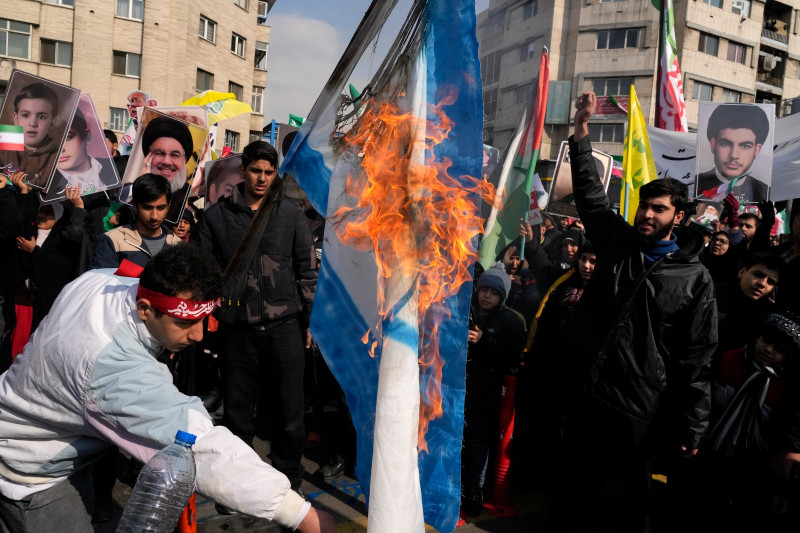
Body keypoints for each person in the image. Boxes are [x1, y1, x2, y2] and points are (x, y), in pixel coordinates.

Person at [0, 244, 335, 532]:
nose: (199, 335)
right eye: (185, 322)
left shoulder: (100, 280)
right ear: (145, 309)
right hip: (32, 476)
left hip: (45, 438)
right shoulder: (113, 371)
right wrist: (301, 514)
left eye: (204, 319)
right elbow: (200, 447)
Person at [548, 91, 718, 532]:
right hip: (588, 392)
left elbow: (695, 359)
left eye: (659, 209)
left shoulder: (695, 280)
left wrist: (692, 428)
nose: (647, 214)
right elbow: (590, 197)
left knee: (625, 502)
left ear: (678, 217)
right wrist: (581, 132)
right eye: (644, 205)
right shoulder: (618, 244)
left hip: (638, 410)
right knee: (574, 493)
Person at [192, 141, 317, 496]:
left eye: (269, 172)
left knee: (290, 412)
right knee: (236, 413)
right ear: (243, 171)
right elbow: (202, 267)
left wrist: (310, 321)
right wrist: (211, 309)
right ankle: (240, 485)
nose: (262, 178)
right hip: (237, 329)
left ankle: (289, 479)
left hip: (285, 328)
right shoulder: (217, 215)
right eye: (256, 171)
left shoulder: (291, 213)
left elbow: (307, 270)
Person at [461, 261, 526, 517]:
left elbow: (511, 356)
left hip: (486, 396)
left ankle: (475, 490)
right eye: (484, 290)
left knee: (478, 445)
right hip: (461, 393)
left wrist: (483, 340)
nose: (487, 296)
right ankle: (458, 488)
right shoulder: (466, 311)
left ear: (503, 296)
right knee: (460, 444)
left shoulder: (510, 320)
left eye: (494, 292)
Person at [91, 173, 181, 269]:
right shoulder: (112, 241)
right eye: (147, 208)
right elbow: (102, 281)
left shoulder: (178, 245)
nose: (154, 216)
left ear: (168, 206)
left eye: (161, 208)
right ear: (134, 205)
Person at [696, 104, 771, 202]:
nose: (734, 155)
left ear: (757, 150)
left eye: (745, 146)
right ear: (713, 144)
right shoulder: (695, 185)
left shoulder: (764, 192)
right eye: (725, 144)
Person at [715, 251, 783, 353]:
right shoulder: (711, 294)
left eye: (770, 282)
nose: (762, 284)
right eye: (758, 275)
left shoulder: (768, 316)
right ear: (742, 272)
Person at [0, 82, 61, 189]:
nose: (32, 123)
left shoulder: (60, 156)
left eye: (42, 117)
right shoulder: (4, 143)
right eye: (25, 115)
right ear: (15, 118)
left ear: (52, 121)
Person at [137, 116, 195, 193]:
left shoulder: (192, 196)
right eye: (160, 153)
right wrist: (143, 185)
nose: (167, 161)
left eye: (175, 155)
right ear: (148, 156)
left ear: (184, 160)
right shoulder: (128, 193)